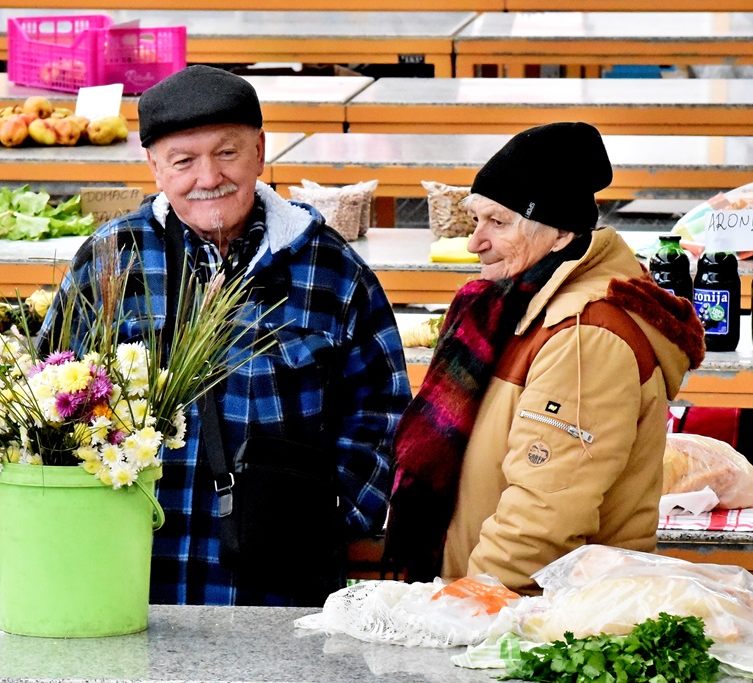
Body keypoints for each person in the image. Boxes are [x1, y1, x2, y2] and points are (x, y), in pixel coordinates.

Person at [38, 65, 411, 606]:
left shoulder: (331, 269)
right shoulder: (111, 260)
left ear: (261, 152)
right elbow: (47, 396)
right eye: (184, 161)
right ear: (155, 168)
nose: (208, 176)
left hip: (280, 587)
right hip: (129, 579)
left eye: (227, 152)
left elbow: (382, 410)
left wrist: (334, 516)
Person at [384, 121, 706, 595]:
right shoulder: (517, 307)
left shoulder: (585, 336)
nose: (475, 242)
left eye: (498, 222)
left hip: (534, 619)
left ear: (557, 234)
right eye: (476, 220)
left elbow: (545, 512)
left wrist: (463, 602)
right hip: (500, 604)